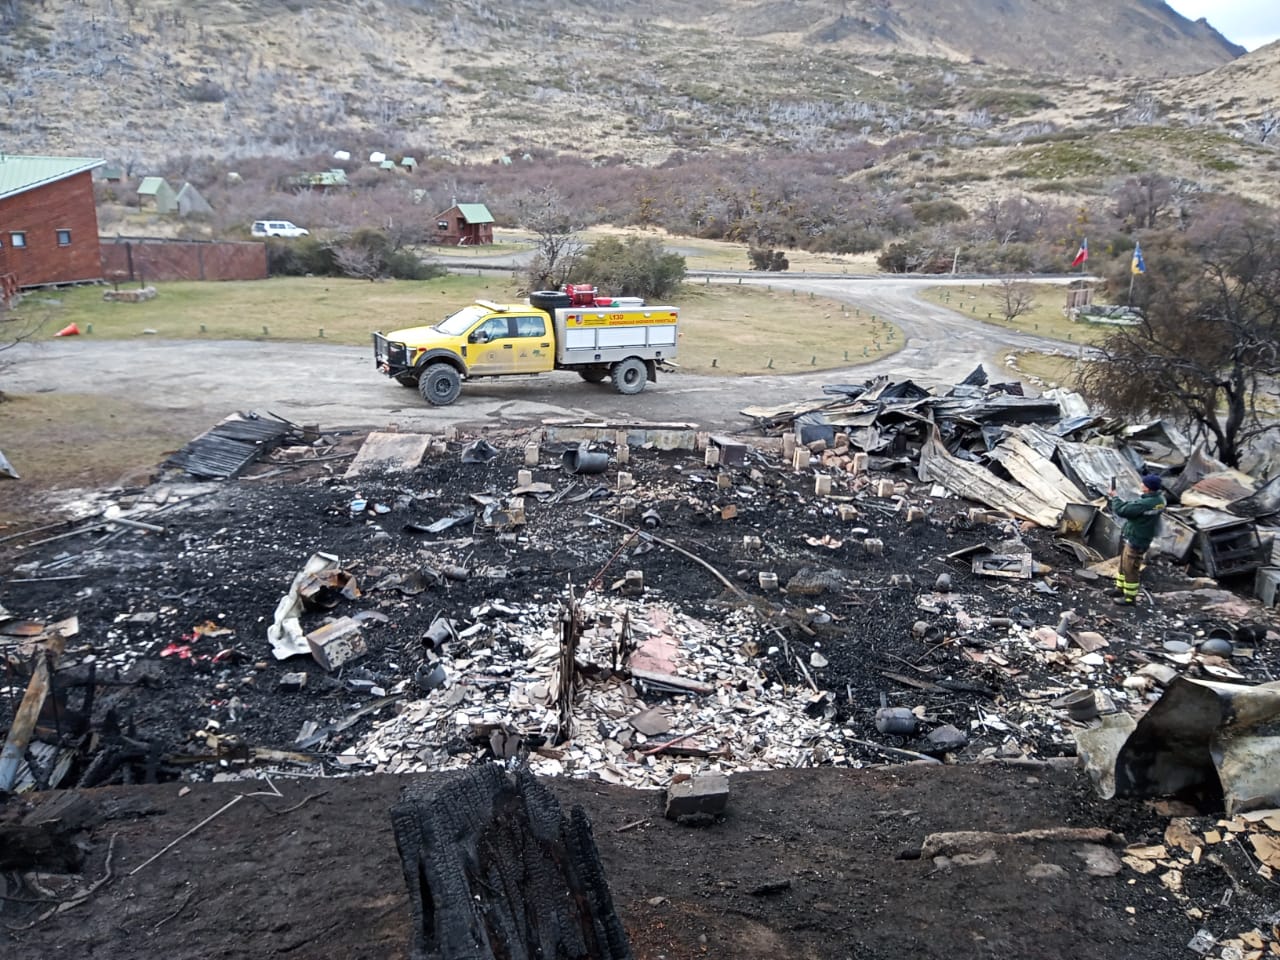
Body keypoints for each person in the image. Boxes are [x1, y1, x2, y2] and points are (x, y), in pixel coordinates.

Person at [1107, 474, 1167, 606]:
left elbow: (1122, 510)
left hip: (1137, 539)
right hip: (1140, 536)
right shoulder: (1159, 500)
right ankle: (1120, 589)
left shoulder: (1145, 503)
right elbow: (1133, 508)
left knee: (1130, 568)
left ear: (1148, 488)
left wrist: (1114, 497)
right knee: (1123, 564)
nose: (1141, 484)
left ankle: (1129, 598)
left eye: (1143, 484)